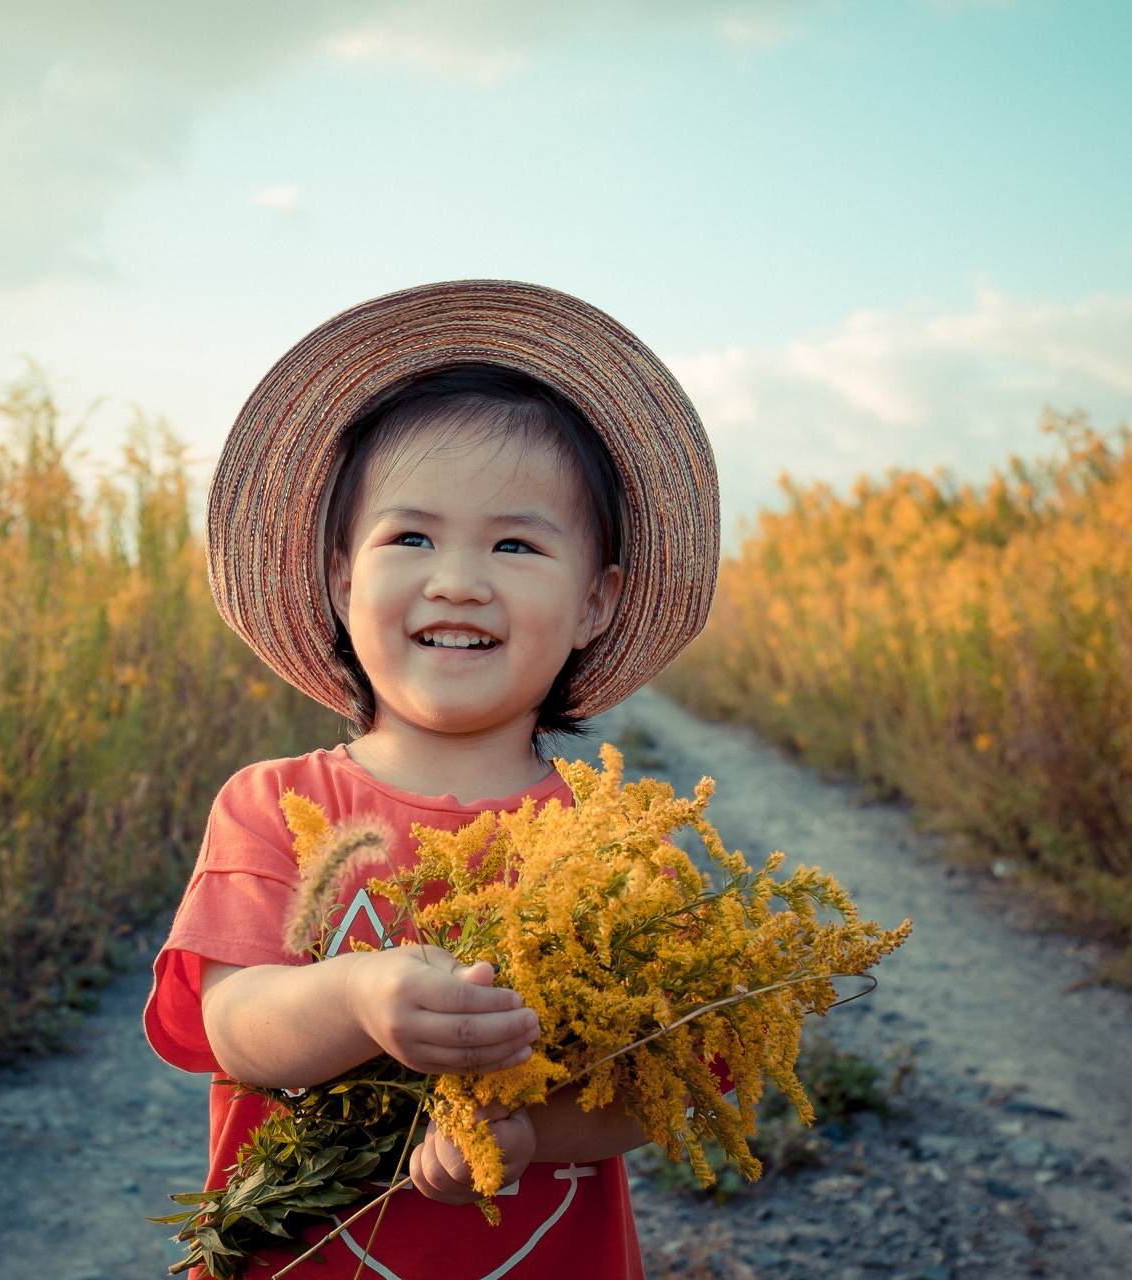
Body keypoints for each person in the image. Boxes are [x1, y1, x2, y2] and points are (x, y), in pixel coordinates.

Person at [144, 280, 720, 1279]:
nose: (456, 576)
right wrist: (360, 994)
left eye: (514, 542)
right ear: (339, 579)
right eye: (410, 536)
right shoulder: (274, 805)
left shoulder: (625, 844)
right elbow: (233, 1024)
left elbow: (656, 1083)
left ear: (595, 599)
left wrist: (530, 1131)